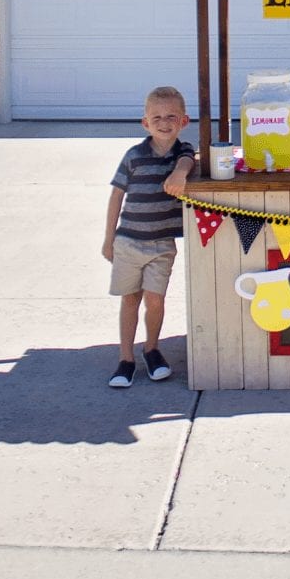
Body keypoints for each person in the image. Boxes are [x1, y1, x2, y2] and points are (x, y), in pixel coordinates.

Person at [103, 86, 195, 388]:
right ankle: (125, 358)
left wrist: (180, 174)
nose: (164, 122)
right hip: (128, 241)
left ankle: (152, 349)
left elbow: (188, 159)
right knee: (130, 300)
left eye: (171, 116)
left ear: (184, 121)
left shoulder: (182, 153)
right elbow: (116, 195)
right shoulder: (134, 156)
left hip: (161, 246)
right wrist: (108, 239)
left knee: (155, 301)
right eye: (156, 117)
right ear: (145, 123)